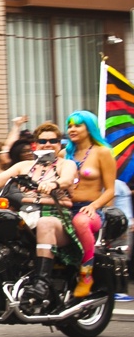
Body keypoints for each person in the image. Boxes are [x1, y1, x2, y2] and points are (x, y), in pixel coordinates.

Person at [0, 122, 81, 306]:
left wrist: (54, 184)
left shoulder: (65, 164)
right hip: (26, 216)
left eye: (53, 140)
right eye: (43, 140)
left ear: (59, 143)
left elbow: (68, 179)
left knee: (45, 222)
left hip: (56, 216)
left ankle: (41, 283)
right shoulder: (25, 166)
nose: (48, 144)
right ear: (35, 144)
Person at [63, 110, 117, 296]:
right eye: (69, 125)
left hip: (90, 210)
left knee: (80, 221)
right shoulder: (65, 154)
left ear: (90, 128)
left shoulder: (103, 152)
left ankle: (86, 274)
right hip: (65, 207)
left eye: (78, 125)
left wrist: (94, 206)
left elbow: (110, 190)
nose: (72, 129)